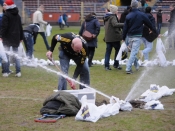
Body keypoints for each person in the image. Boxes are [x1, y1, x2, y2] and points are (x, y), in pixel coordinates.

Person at [122, 0, 154, 74]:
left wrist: (123, 37)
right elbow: (148, 22)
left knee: (133, 52)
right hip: (137, 36)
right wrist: (151, 28)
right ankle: (128, 68)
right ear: (137, 6)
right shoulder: (141, 14)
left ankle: (136, 66)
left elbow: (125, 28)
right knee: (133, 53)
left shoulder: (128, 15)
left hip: (130, 36)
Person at [0, 0, 23, 77]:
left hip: (7, 38)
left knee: (6, 54)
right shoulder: (18, 15)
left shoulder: (6, 15)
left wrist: (0, 36)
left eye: (5, 5)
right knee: (16, 55)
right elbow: (20, 28)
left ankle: (6, 71)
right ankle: (18, 71)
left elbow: (4, 27)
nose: (3, 6)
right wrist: (21, 37)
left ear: (9, 6)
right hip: (16, 38)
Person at [103, 5, 124, 70]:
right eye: (117, 10)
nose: (118, 11)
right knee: (118, 51)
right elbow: (115, 24)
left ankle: (106, 66)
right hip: (114, 38)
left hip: (108, 38)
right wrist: (124, 24)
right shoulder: (113, 17)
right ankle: (116, 64)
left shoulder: (107, 17)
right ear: (114, 11)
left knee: (108, 52)